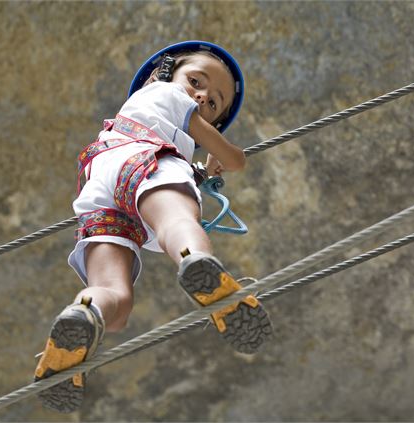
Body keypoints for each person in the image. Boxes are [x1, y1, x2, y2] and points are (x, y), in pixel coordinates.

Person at [33, 41, 273, 413]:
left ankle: (85, 312)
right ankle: (195, 261)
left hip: (101, 179)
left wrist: (199, 168)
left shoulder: (147, 111)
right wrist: (217, 151)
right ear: (158, 75)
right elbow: (235, 160)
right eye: (196, 80)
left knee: (116, 301)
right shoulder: (168, 94)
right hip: (145, 160)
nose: (203, 95)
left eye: (213, 103)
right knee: (176, 220)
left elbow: (175, 146)